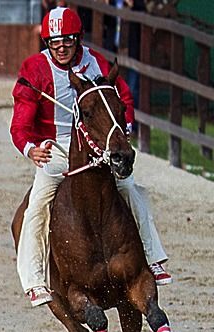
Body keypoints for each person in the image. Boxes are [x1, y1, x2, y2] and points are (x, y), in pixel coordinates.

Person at [11, 6, 170, 307]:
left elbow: (122, 97)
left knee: (131, 189)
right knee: (37, 204)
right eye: (54, 43)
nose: (61, 48)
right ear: (46, 43)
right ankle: (34, 280)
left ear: (78, 39)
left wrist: (125, 129)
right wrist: (31, 148)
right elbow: (19, 124)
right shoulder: (34, 69)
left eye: (67, 41)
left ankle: (154, 258)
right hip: (56, 149)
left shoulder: (95, 62)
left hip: (98, 144)